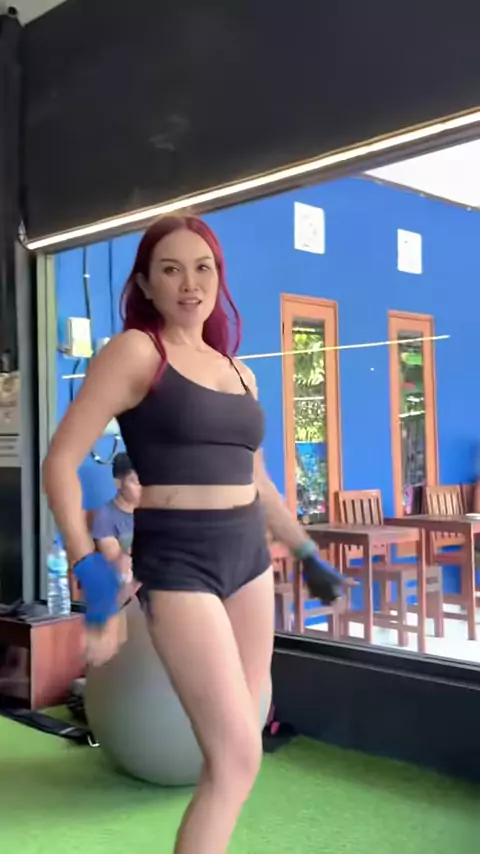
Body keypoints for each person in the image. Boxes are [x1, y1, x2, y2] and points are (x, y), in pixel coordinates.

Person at [42, 215, 351, 854]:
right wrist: (89, 568)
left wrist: (305, 553)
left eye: (202, 268)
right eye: (171, 269)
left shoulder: (239, 371)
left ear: (218, 278)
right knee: (236, 759)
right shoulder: (136, 352)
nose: (190, 283)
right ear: (146, 284)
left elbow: (259, 482)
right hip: (179, 561)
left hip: (248, 559)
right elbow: (61, 462)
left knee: (238, 755)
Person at [90, 452, 141, 584]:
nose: (142, 488)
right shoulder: (105, 516)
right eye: (136, 482)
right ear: (118, 483)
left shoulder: (151, 510)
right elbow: (117, 565)